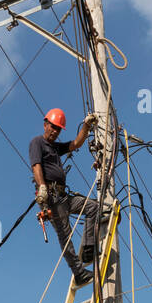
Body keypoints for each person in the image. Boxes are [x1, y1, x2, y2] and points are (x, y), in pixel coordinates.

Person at [29, 108, 98, 285]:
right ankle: (79, 274)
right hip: (51, 198)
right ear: (45, 125)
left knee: (92, 207)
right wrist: (42, 187)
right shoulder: (37, 142)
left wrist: (86, 126)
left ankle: (89, 249)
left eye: (58, 129)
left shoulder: (54, 147)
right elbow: (36, 166)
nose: (54, 131)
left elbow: (76, 144)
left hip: (63, 196)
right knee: (65, 236)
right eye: (52, 127)